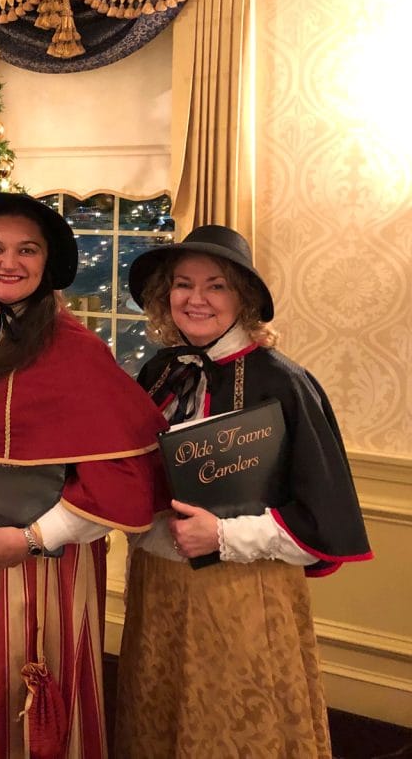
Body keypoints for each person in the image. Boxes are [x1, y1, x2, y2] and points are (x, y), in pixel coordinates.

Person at [0, 192, 169, 759]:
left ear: (47, 263)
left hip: (33, 565)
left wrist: (34, 539)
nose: (10, 262)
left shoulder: (73, 349)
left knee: (12, 697)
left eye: (27, 250)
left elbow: (121, 470)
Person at [114, 224, 373, 758]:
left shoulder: (283, 381)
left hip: (243, 592)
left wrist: (224, 535)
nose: (196, 299)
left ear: (244, 298)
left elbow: (323, 520)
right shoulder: (160, 371)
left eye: (216, 286)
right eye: (183, 285)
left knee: (230, 727)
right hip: (157, 583)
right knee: (156, 717)